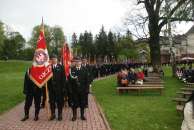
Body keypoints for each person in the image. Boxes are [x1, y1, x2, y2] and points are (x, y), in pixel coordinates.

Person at [48, 55, 67, 121]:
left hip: (59, 88)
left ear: (57, 59)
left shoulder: (61, 67)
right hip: (51, 89)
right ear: (51, 60)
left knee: (59, 102)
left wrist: (63, 88)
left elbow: (64, 78)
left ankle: (60, 114)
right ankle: (53, 114)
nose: (53, 60)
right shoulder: (48, 67)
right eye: (52, 59)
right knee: (52, 102)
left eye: (55, 58)